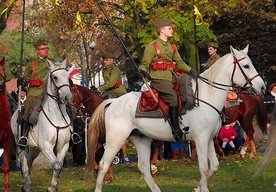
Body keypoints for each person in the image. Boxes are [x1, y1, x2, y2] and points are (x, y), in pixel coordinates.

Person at [138, 18, 197, 141]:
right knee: (173, 98)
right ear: (162, 30)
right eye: (169, 28)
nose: (172, 30)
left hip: (172, 77)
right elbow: (145, 64)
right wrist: (142, 71)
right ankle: (175, 129)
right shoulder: (152, 46)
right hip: (159, 79)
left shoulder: (172, 47)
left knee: (187, 92)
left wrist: (190, 70)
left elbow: (180, 63)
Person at [17, 39, 51, 150]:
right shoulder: (31, 64)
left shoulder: (51, 62)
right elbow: (26, 79)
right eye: (43, 48)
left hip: (49, 93)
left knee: (67, 106)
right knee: (26, 108)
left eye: (47, 48)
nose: (46, 50)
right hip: (34, 93)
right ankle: (24, 136)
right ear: (37, 51)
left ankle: (72, 133)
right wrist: (22, 82)